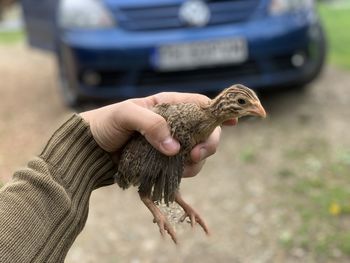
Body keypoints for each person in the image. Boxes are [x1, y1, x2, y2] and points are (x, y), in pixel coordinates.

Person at [0, 92, 235, 262]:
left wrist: (87, 146)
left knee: (173, 160)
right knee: (168, 158)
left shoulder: (200, 120)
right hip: (141, 158)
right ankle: (156, 204)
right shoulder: (188, 121)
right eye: (243, 104)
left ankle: (175, 202)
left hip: (131, 153)